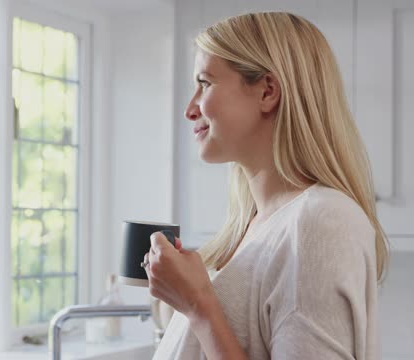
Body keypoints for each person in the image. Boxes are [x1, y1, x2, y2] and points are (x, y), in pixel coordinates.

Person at [142, 12, 389, 360]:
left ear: (267, 92)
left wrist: (199, 305)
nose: (190, 108)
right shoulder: (256, 225)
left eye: (205, 83)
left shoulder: (321, 222)